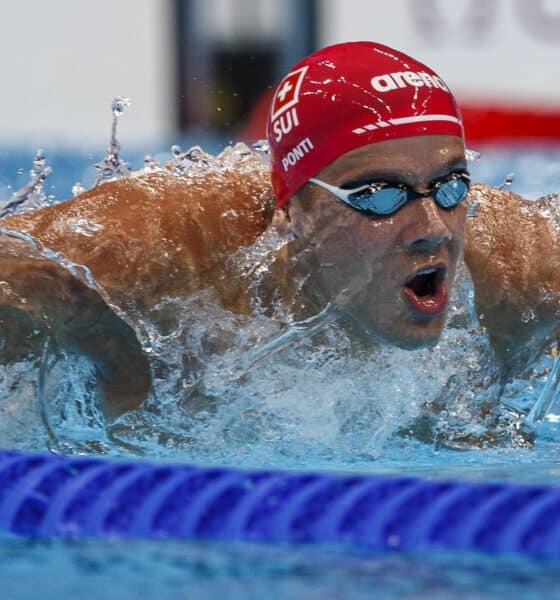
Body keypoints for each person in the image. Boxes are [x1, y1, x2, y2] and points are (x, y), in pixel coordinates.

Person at [1, 41, 559, 430]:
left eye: (450, 185)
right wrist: (114, 353)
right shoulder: (171, 247)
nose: (431, 229)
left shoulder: (517, 266)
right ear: (294, 209)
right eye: (378, 196)